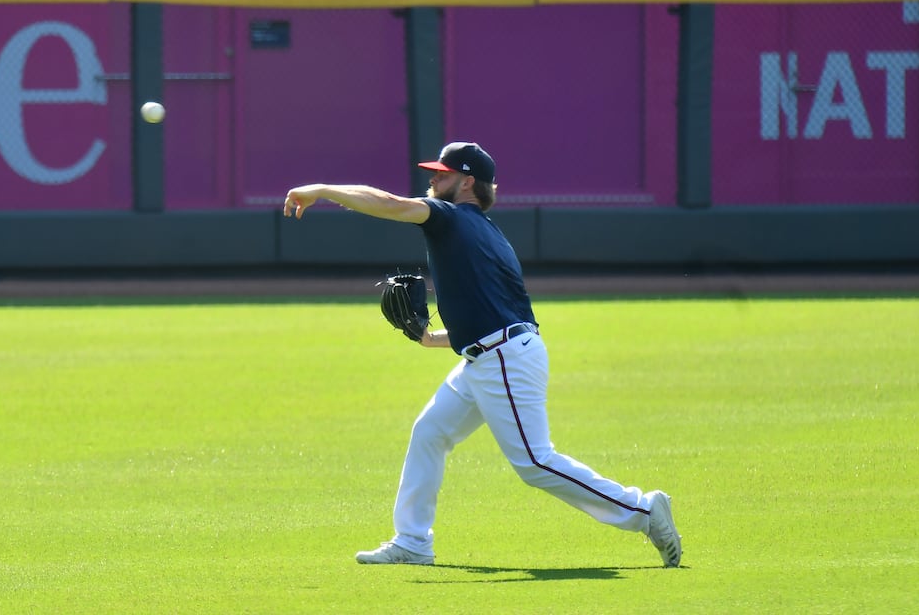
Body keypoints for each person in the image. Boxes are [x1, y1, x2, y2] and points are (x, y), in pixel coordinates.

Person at [283, 141, 682, 568]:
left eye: (443, 173)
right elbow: (485, 317)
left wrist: (324, 189)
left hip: (505, 357)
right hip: (491, 354)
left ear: (467, 181)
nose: (433, 178)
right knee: (430, 432)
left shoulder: (450, 218)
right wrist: (427, 337)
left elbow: (391, 204)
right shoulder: (485, 232)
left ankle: (642, 510)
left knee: (534, 462)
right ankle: (413, 542)